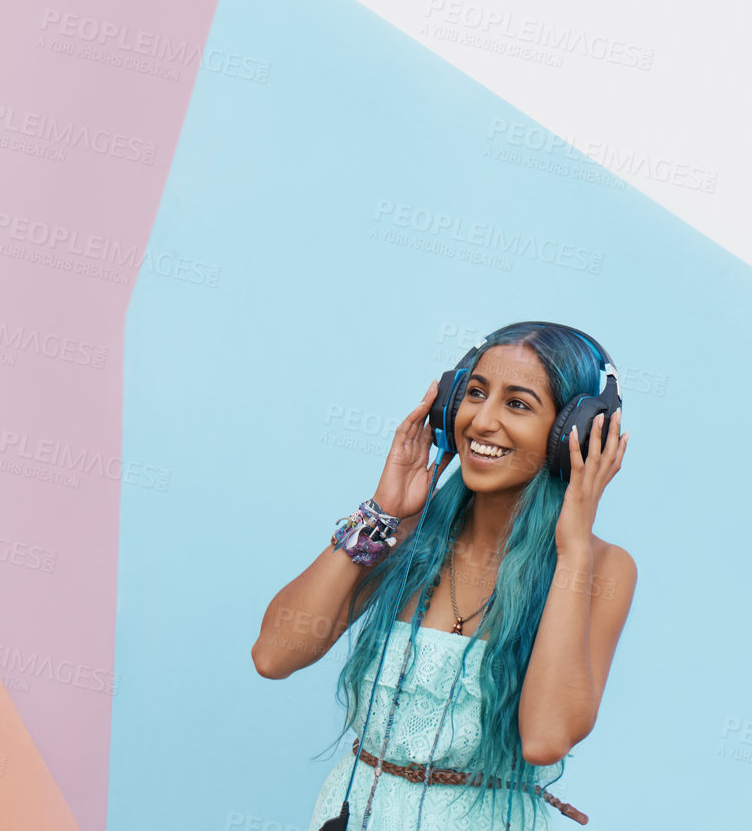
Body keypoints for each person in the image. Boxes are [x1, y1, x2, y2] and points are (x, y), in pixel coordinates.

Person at [251, 321, 637, 830]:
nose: (481, 421)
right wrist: (381, 513)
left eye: (517, 404)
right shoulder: (401, 532)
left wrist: (572, 552)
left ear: (576, 434)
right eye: (474, 394)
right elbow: (274, 655)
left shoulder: (601, 567)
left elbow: (546, 738)